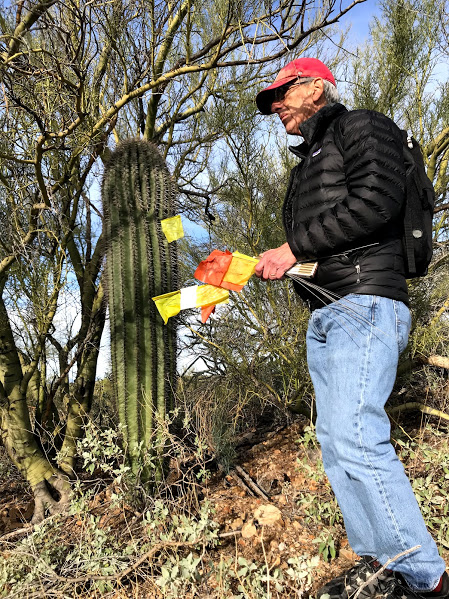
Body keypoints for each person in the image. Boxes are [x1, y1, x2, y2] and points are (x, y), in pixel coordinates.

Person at [254, 57, 448, 599]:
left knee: (356, 439)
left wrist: (291, 247)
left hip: (364, 304)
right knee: (339, 443)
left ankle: (426, 578)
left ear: (315, 85)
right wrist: (266, 265)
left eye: (281, 95)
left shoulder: (360, 125)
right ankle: (382, 563)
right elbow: (326, 237)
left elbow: (377, 200)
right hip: (329, 310)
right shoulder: (310, 161)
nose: (275, 107)